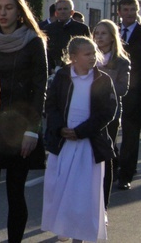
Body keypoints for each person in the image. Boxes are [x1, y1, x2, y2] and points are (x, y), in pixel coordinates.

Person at [0, 0, 48, 243]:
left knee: (16, 193)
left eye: (8, 8)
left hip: (20, 129)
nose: (2, 13)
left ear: (19, 12)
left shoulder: (33, 41)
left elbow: (40, 88)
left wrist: (32, 130)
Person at [41, 36, 116, 242]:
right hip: (64, 143)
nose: (92, 57)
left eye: (94, 53)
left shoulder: (102, 79)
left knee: (84, 193)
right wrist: (60, 128)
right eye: (87, 54)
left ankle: (81, 235)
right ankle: (64, 227)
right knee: (61, 189)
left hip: (88, 144)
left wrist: (82, 131)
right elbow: (52, 105)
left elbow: (108, 111)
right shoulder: (62, 77)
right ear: (73, 57)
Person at [93, 19, 130, 204]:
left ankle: (103, 200)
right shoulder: (87, 56)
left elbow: (123, 89)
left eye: (103, 33)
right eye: (97, 33)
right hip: (86, 110)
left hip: (110, 113)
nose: (99, 37)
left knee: (106, 151)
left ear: (112, 37)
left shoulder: (121, 61)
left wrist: (102, 84)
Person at [116, 0, 141, 190]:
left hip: (136, 92)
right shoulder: (111, 32)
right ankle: (113, 165)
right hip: (112, 90)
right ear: (119, 12)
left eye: (132, 10)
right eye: (125, 10)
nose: (129, 13)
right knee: (107, 132)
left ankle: (126, 174)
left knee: (131, 135)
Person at [45, 0, 90, 74]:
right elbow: (45, 52)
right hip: (52, 72)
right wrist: (50, 69)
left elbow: (88, 51)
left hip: (76, 71)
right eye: (60, 9)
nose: (62, 11)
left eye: (65, 9)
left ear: (72, 12)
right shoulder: (47, 29)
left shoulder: (82, 28)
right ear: (56, 13)